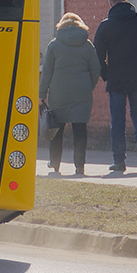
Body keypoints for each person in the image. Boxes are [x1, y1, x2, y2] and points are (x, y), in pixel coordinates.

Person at [94, 0, 137, 173]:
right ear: (125, 2)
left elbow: (97, 54)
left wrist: (105, 74)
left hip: (117, 79)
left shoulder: (106, 26)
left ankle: (119, 161)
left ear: (111, 5)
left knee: (117, 120)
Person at [40, 13, 101, 176]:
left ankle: (54, 165)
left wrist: (42, 94)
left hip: (58, 92)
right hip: (81, 92)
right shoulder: (87, 45)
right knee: (80, 129)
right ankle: (79, 167)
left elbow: (46, 72)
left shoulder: (54, 45)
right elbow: (96, 70)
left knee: (56, 129)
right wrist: (89, 85)